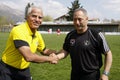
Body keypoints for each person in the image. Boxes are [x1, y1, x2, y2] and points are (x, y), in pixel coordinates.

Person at [0, 3, 58, 80]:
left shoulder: (37, 34)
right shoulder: (19, 30)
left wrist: (58, 53)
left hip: (24, 69)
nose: (37, 19)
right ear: (27, 17)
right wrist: (50, 59)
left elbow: (44, 50)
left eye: (40, 17)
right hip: (8, 69)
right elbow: (29, 57)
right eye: (34, 16)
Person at [51, 8, 112, 80]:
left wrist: (105, 73)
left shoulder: (96, 35)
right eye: (74, 19)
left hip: (92, 76)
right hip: (75, 75)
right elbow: (66, 51)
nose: (77, 22)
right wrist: (57, 57)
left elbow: (108, 53)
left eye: (80, 19)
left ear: (86, 19)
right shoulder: (70, 35)